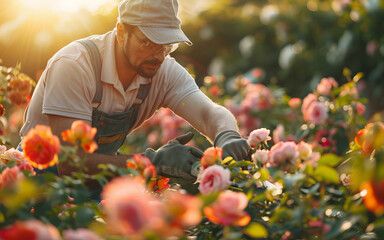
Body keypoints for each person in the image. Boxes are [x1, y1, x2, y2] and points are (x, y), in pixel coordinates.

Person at [18, 0, 249, 184]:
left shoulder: (162, 70)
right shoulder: (75, 65)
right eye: (148, 42)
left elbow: (209, 114)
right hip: (38, 182)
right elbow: (70, 163)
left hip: (96, 181)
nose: (159, 55)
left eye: (167, 44)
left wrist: (227, 135)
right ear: (121, 32)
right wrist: (152, 162)